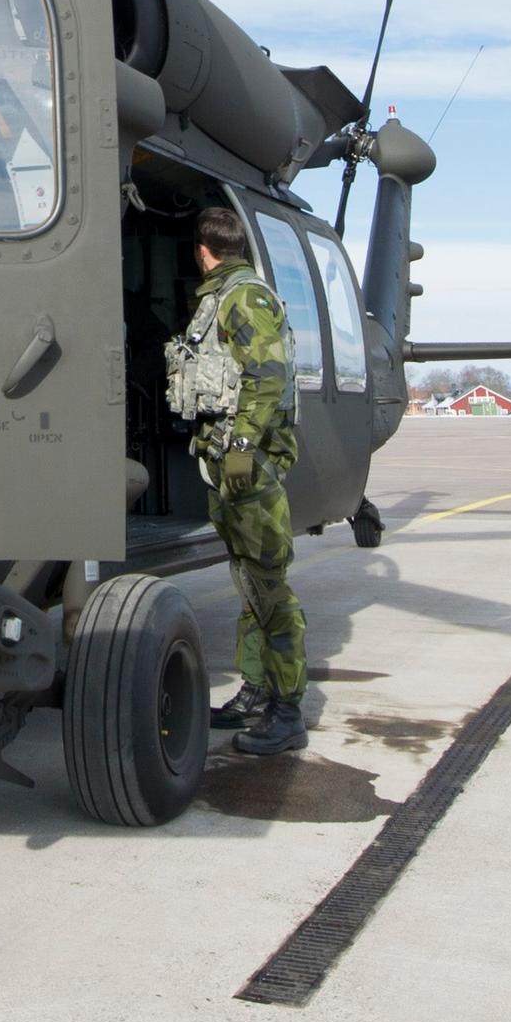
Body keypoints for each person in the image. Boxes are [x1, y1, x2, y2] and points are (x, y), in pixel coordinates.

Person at [171, 203, 306, 757]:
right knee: (249, 581)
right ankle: (256, 692)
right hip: (227, 463)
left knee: (269, 586)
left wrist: (244, 445)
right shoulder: (222, 298)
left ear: (203, 251)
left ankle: (288, 711)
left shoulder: (242, 298)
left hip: (247, 465)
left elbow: (266, 375)